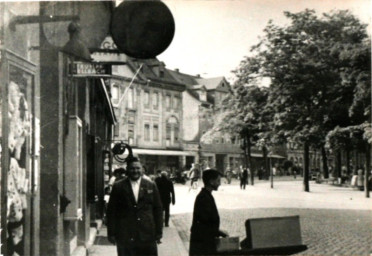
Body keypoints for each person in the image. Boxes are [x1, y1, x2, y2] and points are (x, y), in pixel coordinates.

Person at [107, 157, 163, 256]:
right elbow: (111, 211)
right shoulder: (118, 186)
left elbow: (157, 209)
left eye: (138, 168)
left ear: (141, 169)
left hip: (147, 234)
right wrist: (111, 233)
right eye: (132, 168)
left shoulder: (151, 185)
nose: (135, 171)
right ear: (127, 169)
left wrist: (159, 232)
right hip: (125, 234)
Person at [189, 169, 228, 256]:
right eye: (218, 180)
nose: (220, 183)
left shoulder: (206, 195)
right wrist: (220, 233)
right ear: (211, 182)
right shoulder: (204, 198)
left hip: (203, 241)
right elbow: (206, 223)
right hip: (202, 244)